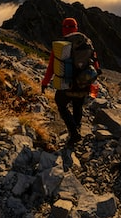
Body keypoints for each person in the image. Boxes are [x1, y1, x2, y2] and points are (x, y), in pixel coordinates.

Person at [41, 17, 101, 145]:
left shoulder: (61, 45)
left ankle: (74, 133)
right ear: (76, 28)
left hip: (67, 84)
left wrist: (45, 83)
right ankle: (77, 129)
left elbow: (51, 67)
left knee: (61, 104)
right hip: (84, 82)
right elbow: (95, 61)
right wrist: (95, 75)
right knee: (77, 105)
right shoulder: (86, 42)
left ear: (64, 28)